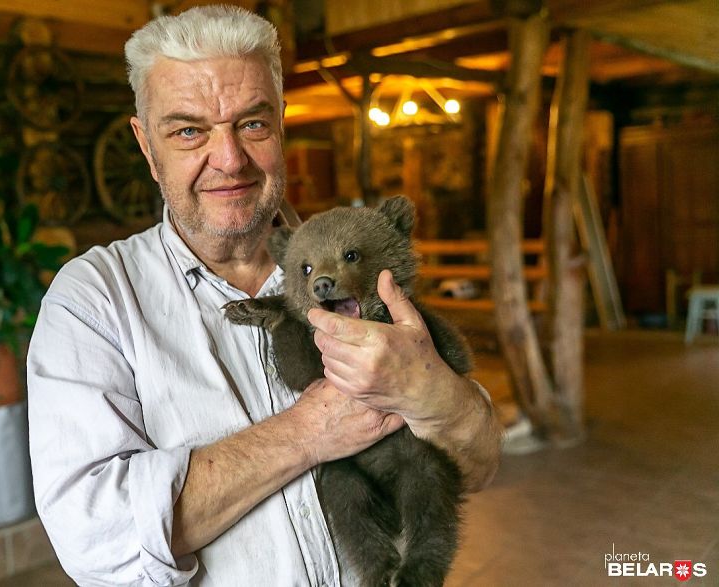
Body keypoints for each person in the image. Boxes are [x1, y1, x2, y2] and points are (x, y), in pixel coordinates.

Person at [27, 5, 502, 586]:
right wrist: (307, 432)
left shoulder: (359, 261)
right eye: (188, 131)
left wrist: (435, 395)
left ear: (281, 124)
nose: (228, 160)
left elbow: (479, 464)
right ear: (147, 146)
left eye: (252, 124)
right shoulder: (94, 300)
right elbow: (93, 538)